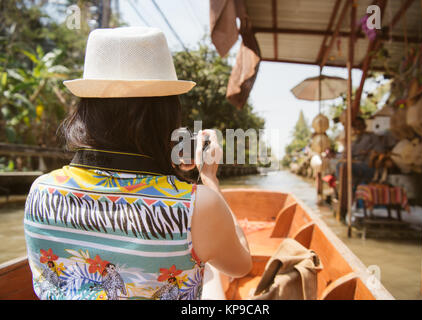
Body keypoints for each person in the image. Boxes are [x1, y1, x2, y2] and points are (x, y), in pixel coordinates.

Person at [24, 27, 252, 300]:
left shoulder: (40, 191)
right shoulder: (196, 207)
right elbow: (241, 266)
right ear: (166, 114)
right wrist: (210, 179)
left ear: (86, 110)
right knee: (213, 273)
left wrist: (164, 172)